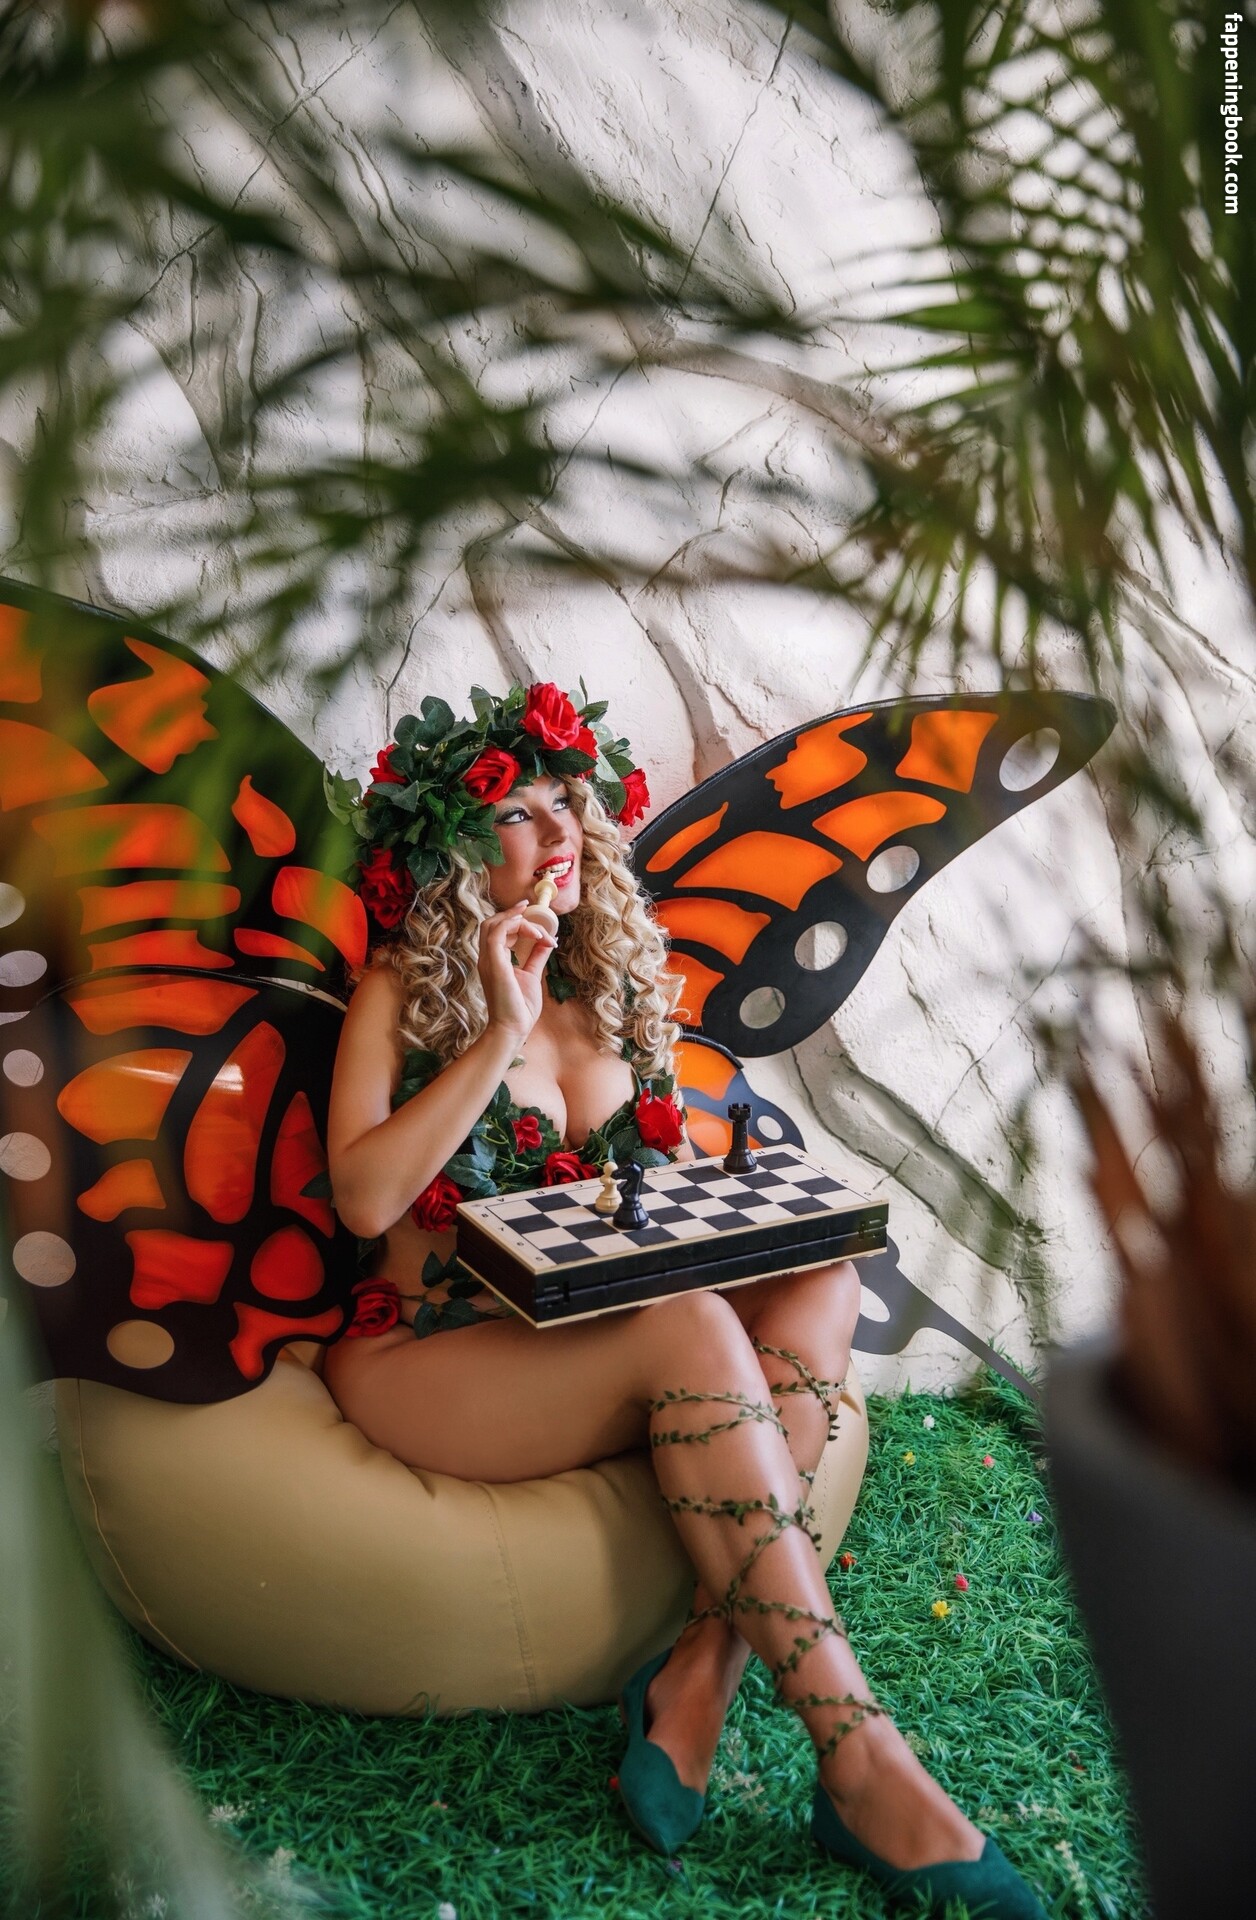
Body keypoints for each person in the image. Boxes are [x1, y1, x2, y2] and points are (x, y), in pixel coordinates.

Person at [323, 681, 1045, 1919]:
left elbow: (647, 1202)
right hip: (435, 1354)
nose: (558, 832)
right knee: (690, 1323)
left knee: (821, 1269)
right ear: (452, 842)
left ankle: (700, 1665)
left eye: (569, 804)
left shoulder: (611, 980)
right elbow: (362, 1201)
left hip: (585, 1336)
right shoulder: (403, 988)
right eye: (518, 810)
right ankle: (858, 1756)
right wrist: (496, 1033)